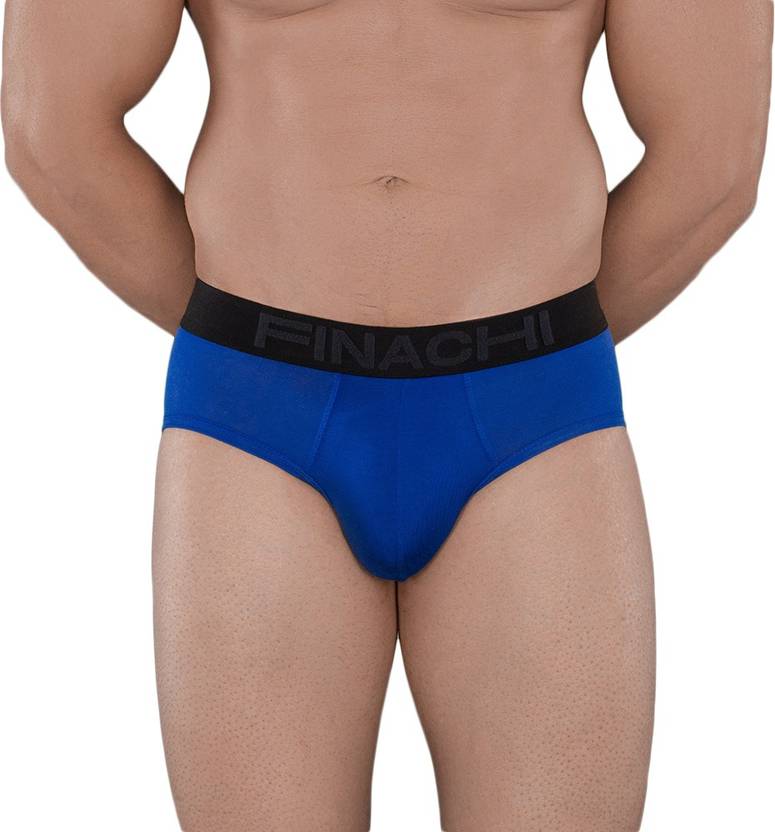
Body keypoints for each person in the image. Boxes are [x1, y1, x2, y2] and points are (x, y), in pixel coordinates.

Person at [2, 0, 771, 829]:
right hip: (260, 422)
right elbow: (54, 128)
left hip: (531, 426)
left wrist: (530, 359)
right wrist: (249, 349)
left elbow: (712, 160)